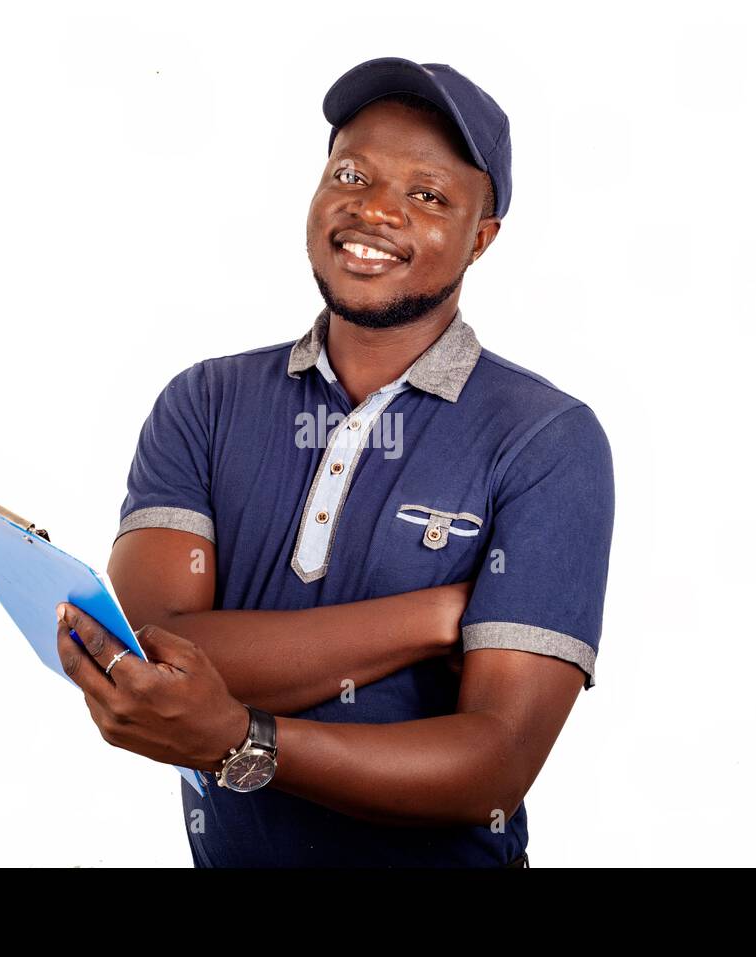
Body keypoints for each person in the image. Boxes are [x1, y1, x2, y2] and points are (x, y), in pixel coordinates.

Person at [54, 56, 615, 867]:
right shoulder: (205, 402)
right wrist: (427, 618)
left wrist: (242, 737)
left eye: (428, 195)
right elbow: (150, 653)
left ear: (481, 238)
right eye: (351, 173)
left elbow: (493, 762)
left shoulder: (546, 439)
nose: (376, 209)